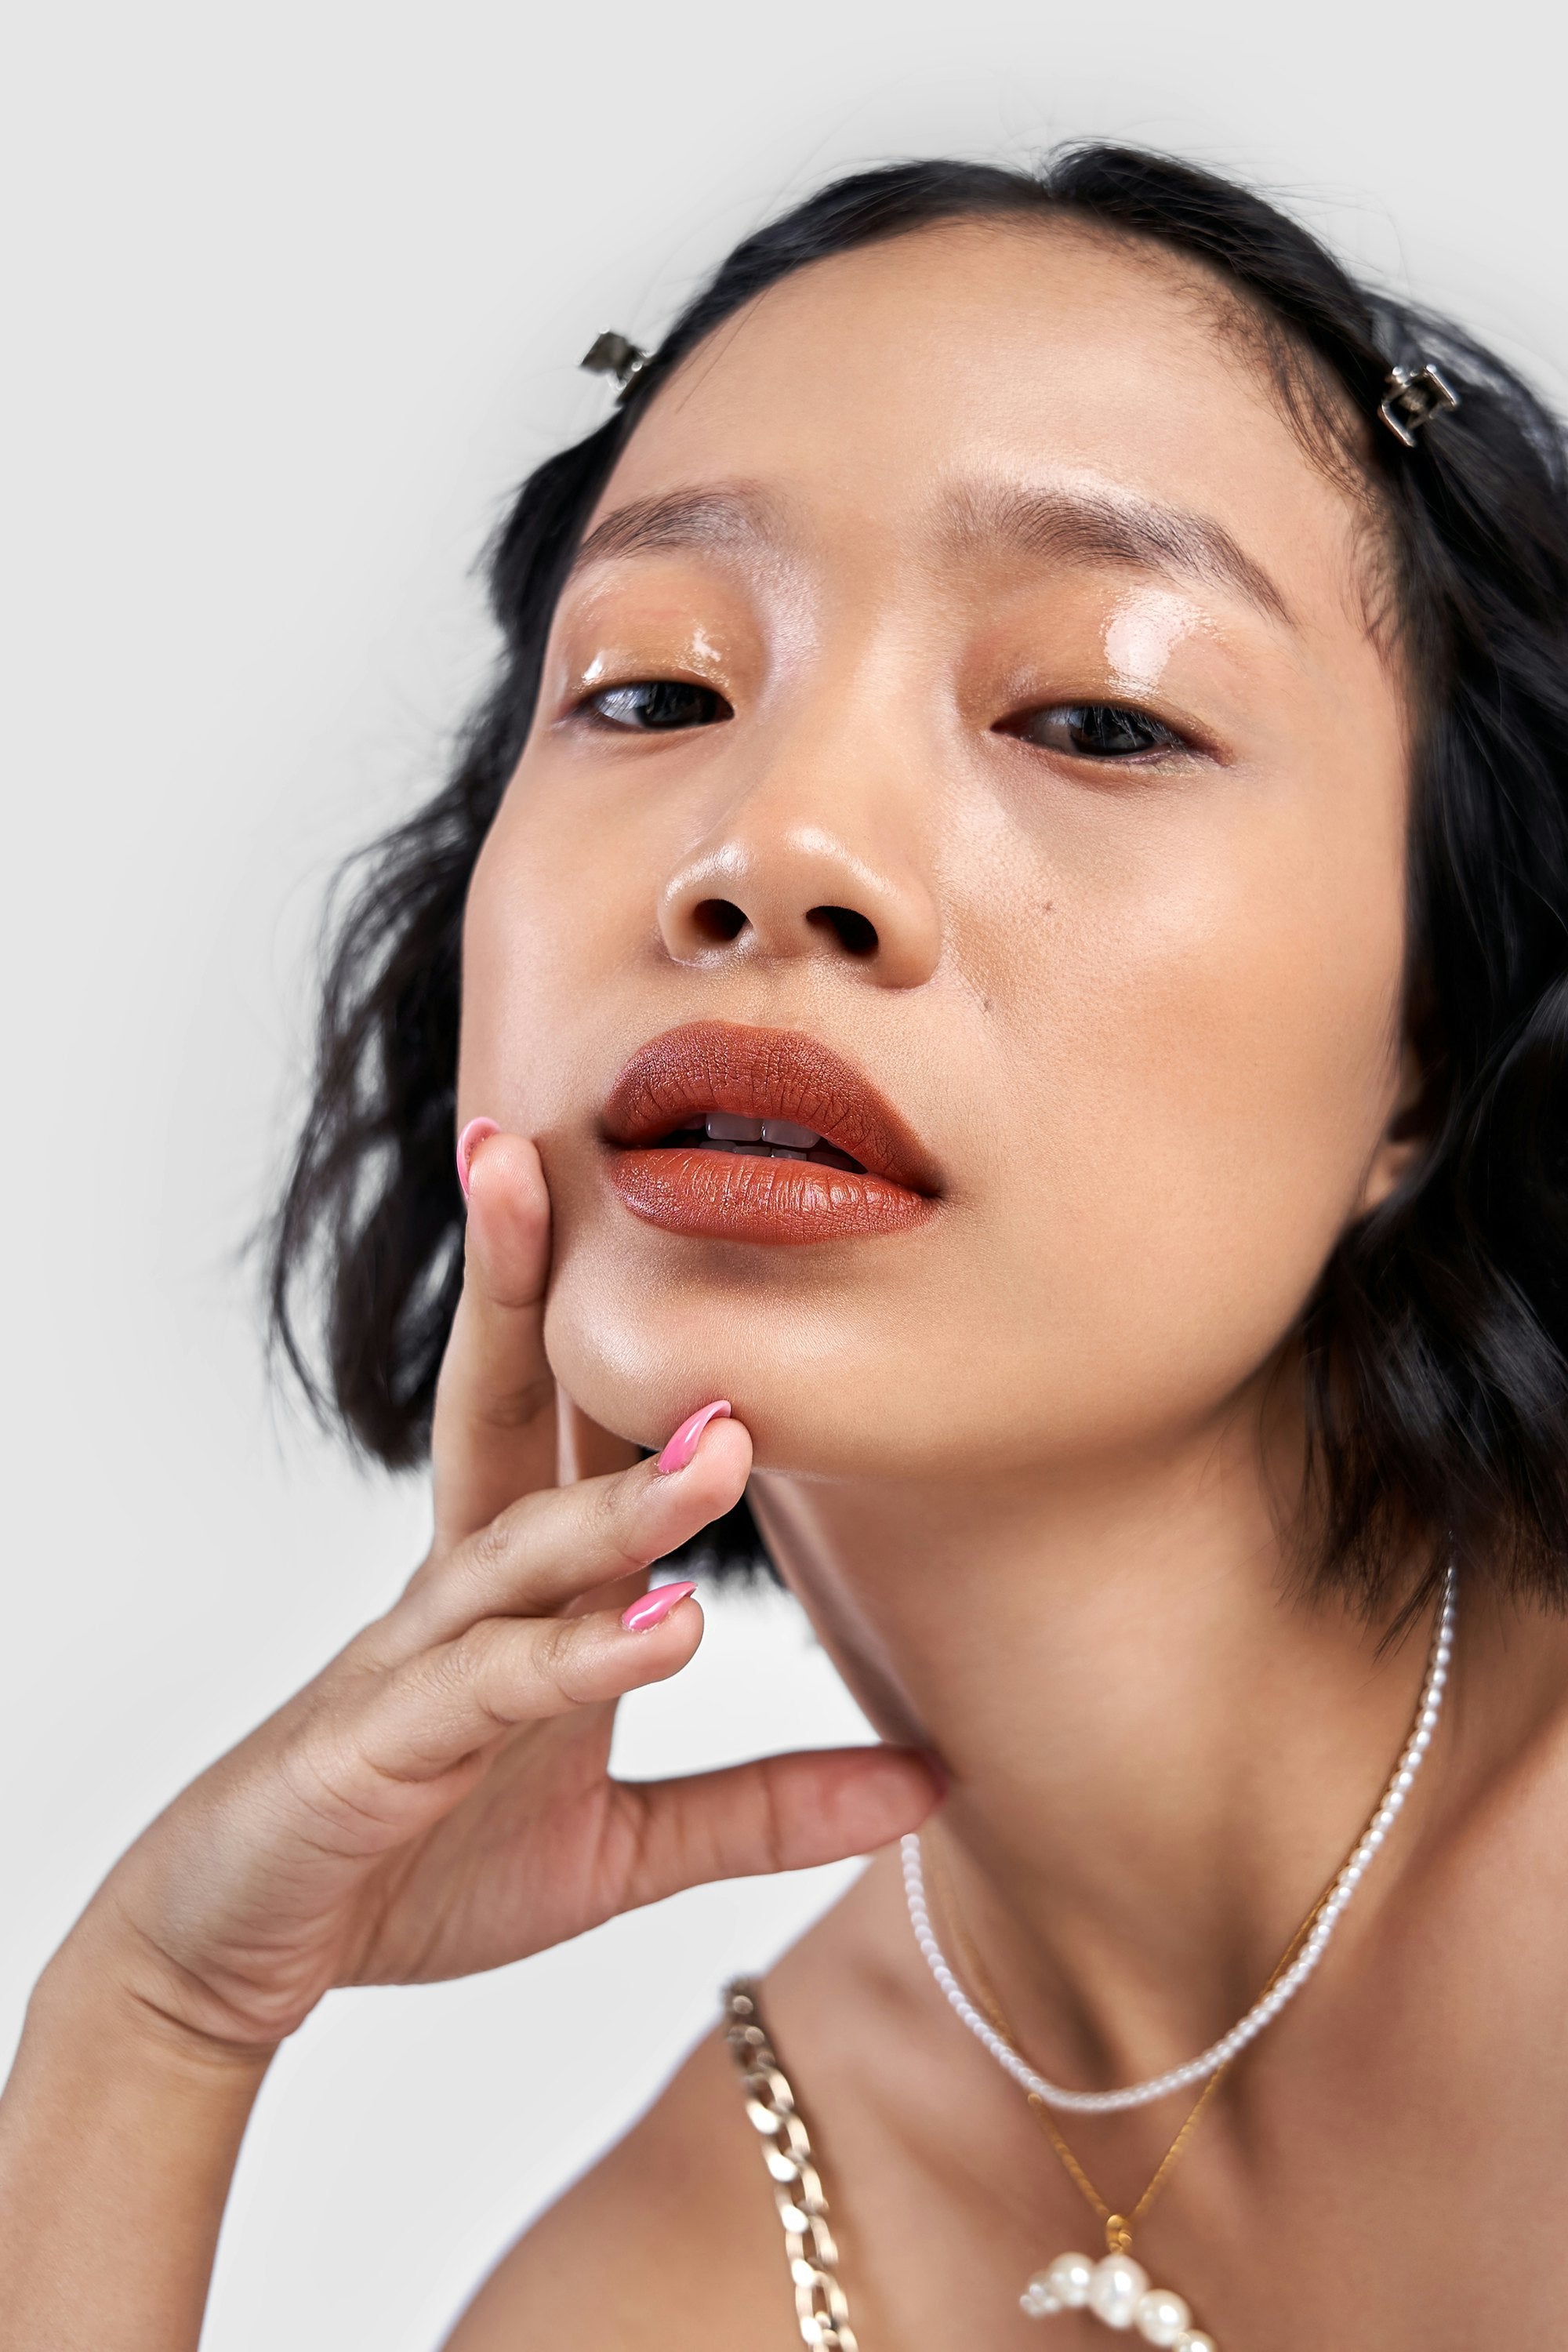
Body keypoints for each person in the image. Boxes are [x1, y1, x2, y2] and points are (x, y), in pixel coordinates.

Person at [5, 141, 1568, 2350]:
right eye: (654, 692)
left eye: (1097, 718)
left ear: (1435, 1029)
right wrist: (152, 2022)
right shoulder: (682, 2283)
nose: (779, 846)